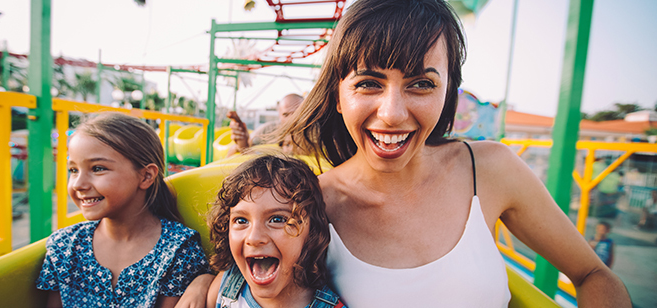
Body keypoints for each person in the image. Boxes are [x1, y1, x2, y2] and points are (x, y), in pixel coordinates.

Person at [276, 0, 631, 306]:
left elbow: (593, 274)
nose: (393, 113)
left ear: (448, 93)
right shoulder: (309, 206)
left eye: (421, 84)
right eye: (369, 83)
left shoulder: (490, 169)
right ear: (338, 95)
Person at [36, 112, 210, 308]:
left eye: (97, 168)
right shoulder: (64, 247)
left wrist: (203, 281)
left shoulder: (178, 249)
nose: (78, 184)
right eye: (73, 170)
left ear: (145, 176)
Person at [206, 154, 346, 308]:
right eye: (241, 220)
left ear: (312, 231)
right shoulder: (226, 285)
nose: (254, 238)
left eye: (277, 219)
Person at [226, 94, 304, 156]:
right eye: (286, 115)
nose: (291, 119)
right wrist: (243, 144)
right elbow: (234, 151)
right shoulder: (268, 130)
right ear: (279, 115)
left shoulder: (313, 132)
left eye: (296, 113)